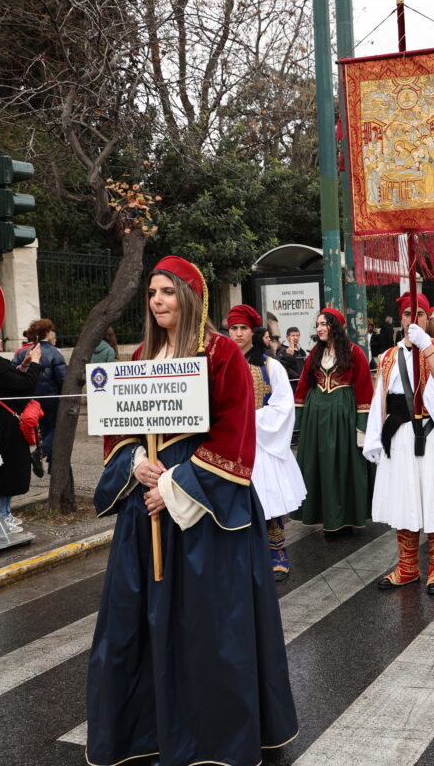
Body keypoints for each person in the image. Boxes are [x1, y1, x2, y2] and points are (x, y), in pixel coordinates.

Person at [87, 256, 297, 766]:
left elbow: (236, 436)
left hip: (203, 509)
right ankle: (147, 734)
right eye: (152, 293)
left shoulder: (222, 355)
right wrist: (136, 464)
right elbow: (122, 426)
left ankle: (212, 738)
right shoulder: (140, 355)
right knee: (138, 622)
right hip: (148, 504)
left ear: (189, 296)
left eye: (166, 292)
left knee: (208, 626)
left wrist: (177, 487)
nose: (157, 300)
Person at [365, 293, 434, 595]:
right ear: (401, 318)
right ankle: (408, 567)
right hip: (400, 436)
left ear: (429, 318)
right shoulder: (388, 356)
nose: (414, 319)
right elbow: (380, 400)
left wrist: (426, 346)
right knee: (405, 500)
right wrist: (375, 439)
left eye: (421, 314)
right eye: (409, 314)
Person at [227, 305, 305, 580]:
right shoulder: (220, 365)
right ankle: (243, 555)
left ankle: (276, 553)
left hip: (261, 443)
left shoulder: (270, 366)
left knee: (268, 499)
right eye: (233, 328)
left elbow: (284, 406)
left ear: (253, 332)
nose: (237, 334)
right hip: (230, 444)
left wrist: (250, 419)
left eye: (243, 329)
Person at [292, 308, 374, 532]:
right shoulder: (315, 353)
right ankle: (323, 514)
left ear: (335, 327)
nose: (319, 328)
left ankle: (344, 517)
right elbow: (302, 387)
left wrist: (362, 428)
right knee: (317, 465)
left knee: (342, 465)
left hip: (343, 416)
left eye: (324, 324)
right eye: (317, 324)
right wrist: (295, 422)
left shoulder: (354, 352)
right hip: (316, 416)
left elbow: (365, 390)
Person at [0, 337, 43, 532]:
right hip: (4, 424)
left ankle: (5, 511)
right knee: (5, 469)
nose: (0, 339)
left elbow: (14, 382)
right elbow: (24, 387)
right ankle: (1, 515)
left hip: (9, 422)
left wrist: (24, 365)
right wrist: (36, 362)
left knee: (11, 468)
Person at [11, 319, 67, 465]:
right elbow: (63, 378)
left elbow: (13, 374)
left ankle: (49, 460)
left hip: (30, 399)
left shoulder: (23, 352)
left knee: (43, 430)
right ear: (47, 333)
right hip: (51, 399)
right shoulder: (54, 352)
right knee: (57, 429)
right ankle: (39, 454)